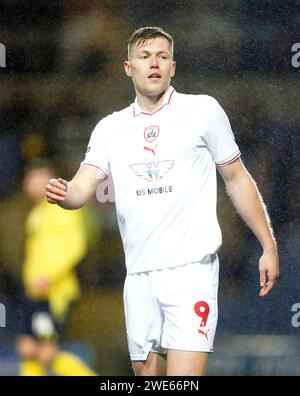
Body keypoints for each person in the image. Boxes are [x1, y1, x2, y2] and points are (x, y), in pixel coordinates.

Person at [45, 27, 279, 376]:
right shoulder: (110, 128)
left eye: (162, 56)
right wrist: (65, 196)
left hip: (191, 271)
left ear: (173, 67)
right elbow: (81, 187)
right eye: (144, 56)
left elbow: (237, 178)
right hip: (138, 276)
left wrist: (267, 244)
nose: (153, 63)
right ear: (128, 67)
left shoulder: (203, 111)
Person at [17, 161, 97, 376]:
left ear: (48, 178)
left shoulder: (63, 207)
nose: (29, 185)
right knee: (28, 348)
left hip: (54, 292)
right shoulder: (38, 211)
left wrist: (49, 277)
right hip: (34, 290)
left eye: (34, 178)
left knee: (46, 351)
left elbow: (76, 246)